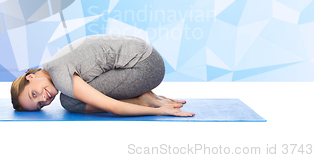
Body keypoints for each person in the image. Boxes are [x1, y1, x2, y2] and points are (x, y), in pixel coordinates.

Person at [10, 34, 195, 117]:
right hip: (147, 56)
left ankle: (143, 99)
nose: (44, 99)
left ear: (30, 77)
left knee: (70, 102)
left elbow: (113, 107)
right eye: (40, 105)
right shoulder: (53, 63)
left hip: (146, 68)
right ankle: (145, 95)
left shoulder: (60, 75)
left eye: (33, 94)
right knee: (73, 96)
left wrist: (159, 111)